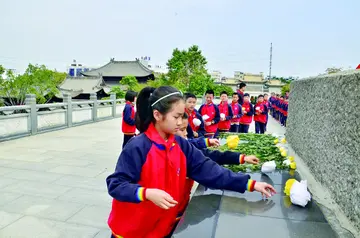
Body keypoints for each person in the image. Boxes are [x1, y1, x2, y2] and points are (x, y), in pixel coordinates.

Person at [106, 86, 276, 238]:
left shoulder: (180, 145)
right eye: (176, 117)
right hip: (133, 230)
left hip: (163, 227)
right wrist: (146, 193)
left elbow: (209, 169)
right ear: (157, 115)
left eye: (182, 117)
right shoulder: (138, 146)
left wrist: (250, 184)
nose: (181, 123)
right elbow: (116, 184)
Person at [174, 112, 260, 228]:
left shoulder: (185, 149)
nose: (186, 133)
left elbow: (212, 157)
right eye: (182, 129)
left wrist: (242, 160)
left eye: (186, 128)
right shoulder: (150, 150)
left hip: (178, 213)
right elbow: (212, 173)